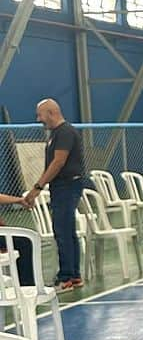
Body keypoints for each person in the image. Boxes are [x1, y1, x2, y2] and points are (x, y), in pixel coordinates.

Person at [26, 99, 87, 290]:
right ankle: (73, 275)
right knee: (66, 231)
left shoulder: (65, 133)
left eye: (40, 114)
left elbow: (58, 162)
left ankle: (66, 277)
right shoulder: (56, 134)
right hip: (61, 187)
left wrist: (38, 187)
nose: (38, 119)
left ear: (51, 113)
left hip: (67, 186)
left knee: (62, 231)